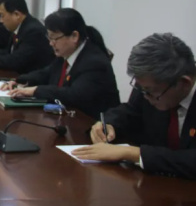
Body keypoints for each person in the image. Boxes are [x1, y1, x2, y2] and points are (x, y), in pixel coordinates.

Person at [73, 33, 196, 180]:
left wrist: (135, 154)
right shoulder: (151, 84)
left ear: (184, 83)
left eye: (149, 91)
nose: (145, 96)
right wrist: (108, 124)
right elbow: (130, 111)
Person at [3, 8, 120, 119]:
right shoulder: (66, 53)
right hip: (66, 118)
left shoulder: (94, 62)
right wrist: (19, 80)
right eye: (49, 38)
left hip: (90, 123)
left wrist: (35, 90)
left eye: (54, 38)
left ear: (74, 36)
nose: (51, 43)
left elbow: (73, 95)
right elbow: (47, 73)